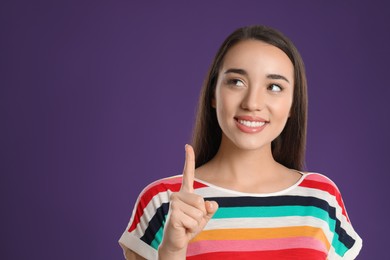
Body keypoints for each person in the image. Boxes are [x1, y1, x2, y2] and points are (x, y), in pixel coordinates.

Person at [118, 25, 362, 259]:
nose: (252, 103)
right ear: (213, 93)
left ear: (292, 105)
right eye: (236, 82)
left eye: (274, 87)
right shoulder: (164, 200)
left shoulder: (320, 199)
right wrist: (171, 252)